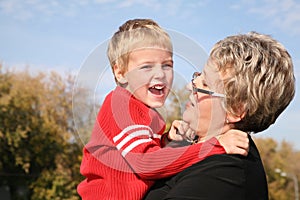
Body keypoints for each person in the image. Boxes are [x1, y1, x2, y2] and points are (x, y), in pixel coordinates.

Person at [77, 19, 249, 200]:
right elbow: (145, 164)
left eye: (167, 65)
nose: (160, 74)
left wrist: (166, 141)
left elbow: (138, 155)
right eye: (146, 67)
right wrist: (216, 145)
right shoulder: (121, 106)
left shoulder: (142, 109)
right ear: (120, 73)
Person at [144, 32, 296, 200]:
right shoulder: (188, 145)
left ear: (236, 110)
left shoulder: (226, 172)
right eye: (197, 77)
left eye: (205, 84)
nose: (189, 86)